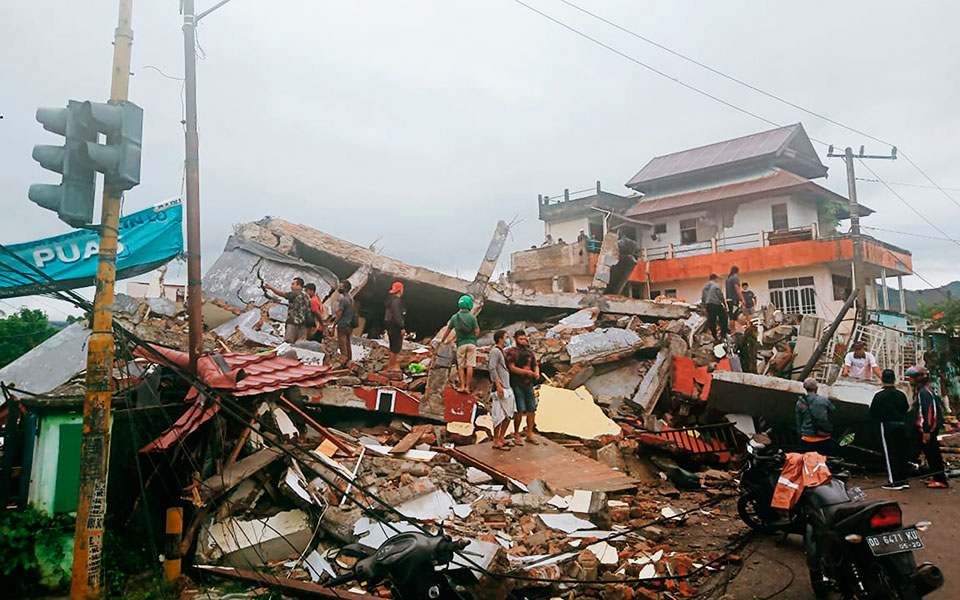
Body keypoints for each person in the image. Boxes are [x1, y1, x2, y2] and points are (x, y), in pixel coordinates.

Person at [906, 365, 948, 488]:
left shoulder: (924, 393)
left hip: (928, 430)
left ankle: (940, 480)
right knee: (930, 454)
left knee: (933, 454)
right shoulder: (922, 391)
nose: (909, 380)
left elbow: (929, 412)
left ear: (918, 378)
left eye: (911, 378)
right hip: (926, 429)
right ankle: (935, 476)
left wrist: (926, 431)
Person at [870, 369, 910, 490]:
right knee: (901, 453)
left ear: (882, 380)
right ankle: (904, 480)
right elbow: (906, 408)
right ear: (894, 380)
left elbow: (873, 412)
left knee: (890, 453)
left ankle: (894, 481)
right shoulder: (901, 394)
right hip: (901, 425)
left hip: (887, 425)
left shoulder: (879, 395)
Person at [506, 329, 541, 445]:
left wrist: (536, 372)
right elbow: (511, 368)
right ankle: (516, 434)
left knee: (531, 409)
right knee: (519, 410)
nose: (524, 341)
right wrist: (526, 372)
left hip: (529, 384)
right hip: (517, 384)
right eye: (521, 339)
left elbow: (535, 365)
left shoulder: (529, 353)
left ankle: (529, 434)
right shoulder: (511, 352)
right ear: (516, 339)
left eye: (525, 339)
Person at [440, 295, 480, 394]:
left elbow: (448, 330)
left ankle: (462, 386)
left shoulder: (455, 317)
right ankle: (467, 387)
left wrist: (442, 341)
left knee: (461, 366)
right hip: (471, 344)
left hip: (461, 344)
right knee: (470, 365)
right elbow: (477, 331)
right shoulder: (472, 317)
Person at [488, 330, 516, 451]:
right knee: (499, 415)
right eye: (506, 337)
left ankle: (502, 437)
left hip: (507, 386)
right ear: (500, 339)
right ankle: (496, 440)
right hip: (500, 387)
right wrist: (498, 385)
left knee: (508, 414)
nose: (507, 339)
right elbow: (492, 368)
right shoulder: (495, 351)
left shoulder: (502, 352)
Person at [263, 276, 311, 343]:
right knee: (300, 344)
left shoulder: (295, 293)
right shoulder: (307, 296)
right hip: (303, 324)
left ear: (299, 285)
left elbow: (282, 294)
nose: (291, 286)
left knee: (288, 342)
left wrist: (271, 288)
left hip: (293, 322)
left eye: (293, 284)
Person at [796, 377, 835, 455]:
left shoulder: (800, 403)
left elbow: (798, 422)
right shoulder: (824, 400)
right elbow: (833, 410)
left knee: (807, 459)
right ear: (816, 388)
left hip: (806, 439)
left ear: (804, 388)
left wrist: (801, 434)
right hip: (823, 437)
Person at [329, 280, 356, 364]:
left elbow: (339, 314)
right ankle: (349, 361)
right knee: (347, 344)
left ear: (345, 289)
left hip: (343, 325)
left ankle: (345, 363)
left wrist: (334, 325)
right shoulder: (351, 298)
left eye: (341, 287)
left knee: (342, 346)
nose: (339, 288)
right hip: (349, 324)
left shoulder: (343, 300)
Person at [384, 281, 406, 372]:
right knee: (396, 347)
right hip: (395, 326)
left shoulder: (390, 300)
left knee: (392, 346)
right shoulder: (396, 301)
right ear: (400, 290)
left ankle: (391, 365)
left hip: (390, 326)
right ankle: (392, 366)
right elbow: (397, 315)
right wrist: (401, 327)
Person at [701, 274, 728, 342]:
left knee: (712, 321)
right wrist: (724, 304)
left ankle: (714, 336)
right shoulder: (716, 285)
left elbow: (703, 297)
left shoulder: (704, 287)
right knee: (724, 318)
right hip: (716, 304)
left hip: (709, 306)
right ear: (715, 279)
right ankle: (723, 334)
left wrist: (704, 306)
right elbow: (720, 295)